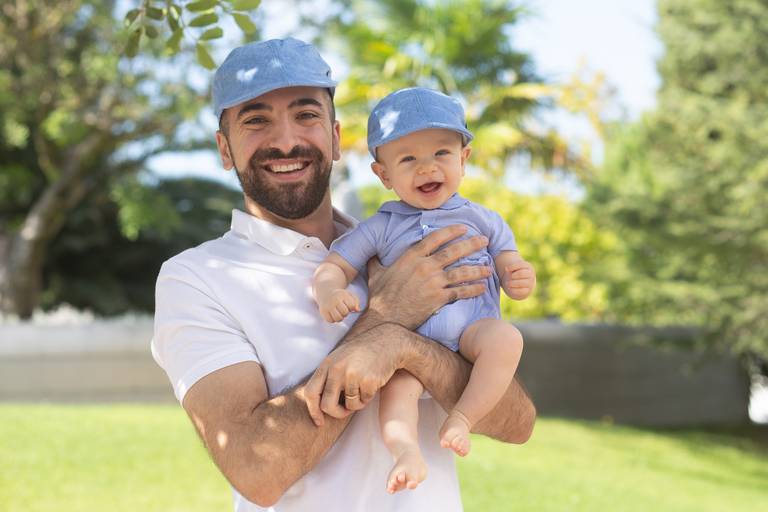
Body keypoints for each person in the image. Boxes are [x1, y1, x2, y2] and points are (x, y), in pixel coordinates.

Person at [151, 37, 536, 512]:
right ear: (224, 148)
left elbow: (517, 423)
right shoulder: (196, 279)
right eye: (255, 120)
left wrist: (408, 348)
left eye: (306, 115)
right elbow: (257, 470)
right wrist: (384, 319)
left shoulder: (406, 249)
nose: (287, 140)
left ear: (335, 138)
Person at [312, 87, 536, 493]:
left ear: (463, 160)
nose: (426, 168)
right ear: (384, 175)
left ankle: (463, 418)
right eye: (408, 158)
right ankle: (406, 453)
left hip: (472, 332)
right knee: (396, 394)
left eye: (441, 154)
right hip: (410, 341)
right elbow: (334, 264)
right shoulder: (382, 225)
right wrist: (329, 292)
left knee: (506, 340)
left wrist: (518, 276)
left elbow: (509, 261)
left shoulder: (483, 219)